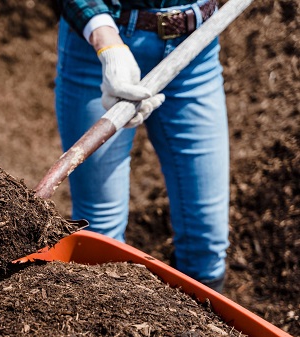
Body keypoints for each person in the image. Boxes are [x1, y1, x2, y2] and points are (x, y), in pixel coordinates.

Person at [55, 0, 228, 292]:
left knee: (207, 240)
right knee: (101, 235)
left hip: (196, 47)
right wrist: (107, 42)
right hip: (102, 48)